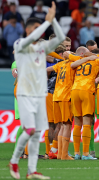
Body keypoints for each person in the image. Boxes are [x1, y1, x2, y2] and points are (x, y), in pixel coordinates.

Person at [8, 2, 65, 179]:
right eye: (37, 28)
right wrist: (47, 23)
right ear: (29, 30)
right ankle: (15, 160)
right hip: (25, 93)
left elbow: (61, 37)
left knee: (37, 132)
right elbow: (27, 40)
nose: (40, 31)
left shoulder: (41, 48)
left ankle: (31, 171)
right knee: (31, 129)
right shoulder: (20, 44)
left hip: (40, 94)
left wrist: (53, 20)